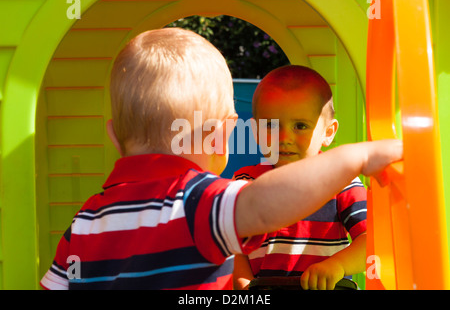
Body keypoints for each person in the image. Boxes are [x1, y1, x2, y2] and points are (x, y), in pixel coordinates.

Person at [40, 28, 402, 290]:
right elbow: (262, 208)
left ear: (114, 136)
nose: (285, 138)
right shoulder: (199, 200)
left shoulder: (85, 220)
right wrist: (357, 156)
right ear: (223, 134)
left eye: (300, 126)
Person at [233, 65, 367, 290]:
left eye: (300, 126)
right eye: (271, 126)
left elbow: (371, 240)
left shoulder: (341, 180)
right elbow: (232, 245)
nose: (284, 137)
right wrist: (243, 282)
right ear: (255, 132)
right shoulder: (246, 182)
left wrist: (337, 266)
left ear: (328, 132)